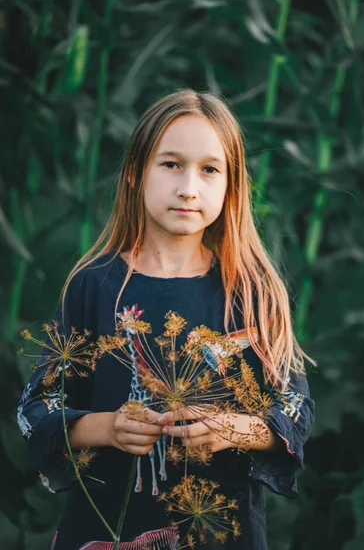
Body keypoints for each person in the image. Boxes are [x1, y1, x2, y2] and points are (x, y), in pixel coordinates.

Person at [17, 89, 316, 550]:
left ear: (231, 186)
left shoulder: (253, 292)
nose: (188, 187)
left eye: (210, 170)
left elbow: (294, 413)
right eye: (171, 164)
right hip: (106, 527)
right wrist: (109, 427)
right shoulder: (94, 286)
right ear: (136, 172)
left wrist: (229, 427)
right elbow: (36, 409)